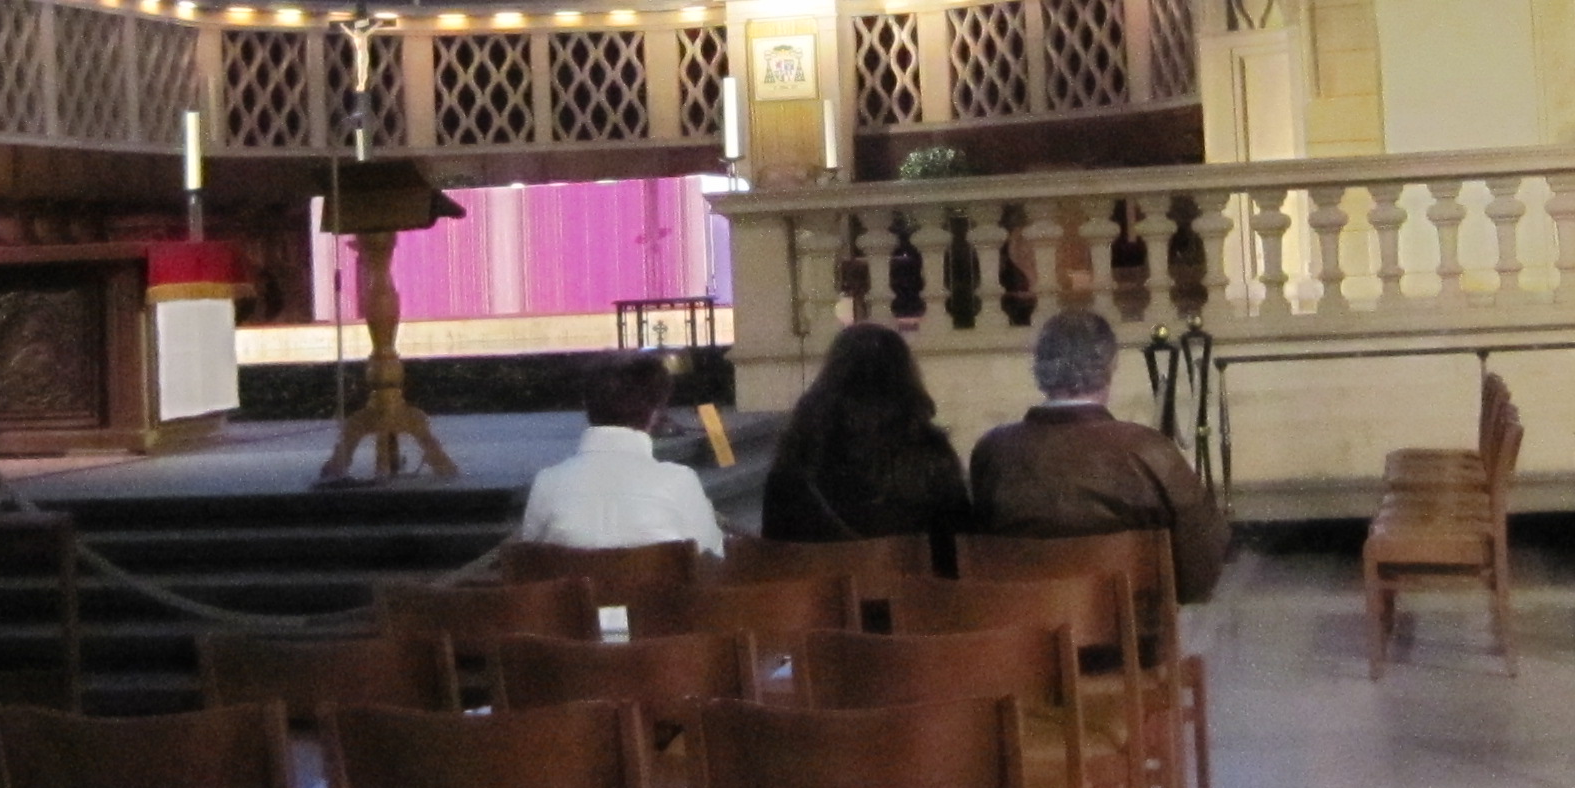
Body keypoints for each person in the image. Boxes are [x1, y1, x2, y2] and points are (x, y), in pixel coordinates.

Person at [968, 308, 1227, 603]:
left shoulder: (993, 450)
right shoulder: (1147, 450)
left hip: (1021, 624)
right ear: (1111, 364)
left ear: (1039, 366)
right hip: (1128, 624)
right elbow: (1200, 564)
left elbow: (982, 552)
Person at [762, 320, 971, 552]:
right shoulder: (931, 456)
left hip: (816, 575)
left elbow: (775, 551)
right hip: (909, 575)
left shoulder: (799, 455)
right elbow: (959, 549)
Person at [517, 352, 725, 562]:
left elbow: (526, 561)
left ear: (586, 404)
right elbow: (714, 556)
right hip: (657, 584)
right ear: (656, 413)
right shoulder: (680, 481)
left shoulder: (548, 482)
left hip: (573, 584)